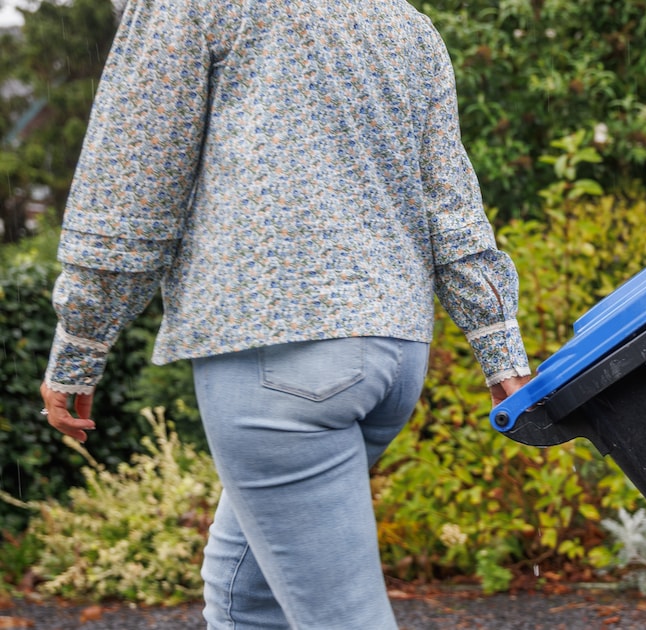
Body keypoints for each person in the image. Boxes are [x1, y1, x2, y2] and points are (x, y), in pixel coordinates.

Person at [38, 0, 532, 627]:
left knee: (341, 619)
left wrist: (80, 343)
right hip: (391, 356)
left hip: (277, 354)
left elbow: (133, 183)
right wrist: (499, 347)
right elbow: (452, 208)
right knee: (244, 594)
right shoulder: (403, 22)